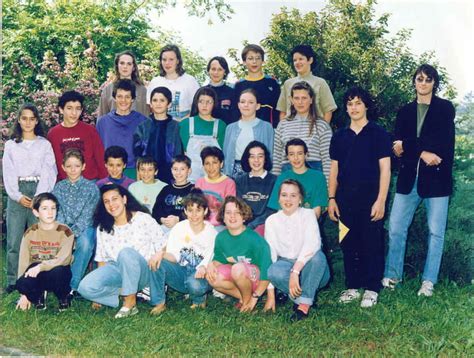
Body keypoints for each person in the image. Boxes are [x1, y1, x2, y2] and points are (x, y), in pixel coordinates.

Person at [383, 64, 456, 297]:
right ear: (414, 82)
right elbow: (395, 147)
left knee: (436, 232)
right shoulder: (404, 111)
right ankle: (393, 276)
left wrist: (410, 145)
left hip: (437, 181)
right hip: (407, 180)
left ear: (434, 83)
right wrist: (422, 152)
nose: (423, 83)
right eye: (419, 79)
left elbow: (442, 144)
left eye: (428, 79)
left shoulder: (445, 109)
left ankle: (428, 282)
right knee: (395, 228)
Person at [328, 87, 391, 308]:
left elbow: (385, 169)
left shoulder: (379, 133)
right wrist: (331, 198)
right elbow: (334, 170)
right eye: (350, 104)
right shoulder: (339, 137)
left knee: (372, 243)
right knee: (348, 243)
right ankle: (352, 286)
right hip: (345, 200)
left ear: (366, 106)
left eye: (358, 103)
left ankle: (372, 288)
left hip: (371, 198)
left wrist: (381, 200)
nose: (353, 107)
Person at [78, 184, 166, 318]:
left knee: (126, 253)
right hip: (117, 269)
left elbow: (163, 244)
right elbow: (102, 259)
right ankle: (127, 292)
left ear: (124, 199)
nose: (111, 204)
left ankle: (130, 303)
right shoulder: (103, 227)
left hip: (142, 270)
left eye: (115, 199)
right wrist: (99, 292)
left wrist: (159, 254)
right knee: (85, 287)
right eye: (106, 201)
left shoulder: (143, 219)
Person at [3, 103, 57, 293]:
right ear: (19, 120)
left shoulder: (44, 144)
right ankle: (12, 281)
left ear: (37, 121)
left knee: (39, 240)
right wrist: (17, 196)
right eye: (24, 118)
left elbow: (49, 171)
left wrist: (39, 198)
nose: (28, 122)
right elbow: (8, 172)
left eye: (31, 118)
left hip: (38, 191)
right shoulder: (11, 146)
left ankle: (37, 279)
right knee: (14, 239)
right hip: (17, 192)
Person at [265, 179, 330, 321]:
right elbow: (271, 255)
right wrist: (270, 294)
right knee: (273, 271)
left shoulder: (308, 214)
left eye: (293, 195)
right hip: (285, 264)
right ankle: (306, 299)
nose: (288, 199)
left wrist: (295, 271)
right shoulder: (271, 221)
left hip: (311, 268)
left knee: (318, 257)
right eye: (284, 195)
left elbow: (313, 245)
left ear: (300, 199)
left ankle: (303, 304)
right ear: (278, 198)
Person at [149, 190, 217, 314]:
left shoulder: (211, 232)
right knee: (157, 262)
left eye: (198, 210)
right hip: (181, 271)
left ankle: (199, 299)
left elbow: (211, 256)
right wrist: (161, 254)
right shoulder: (179, 228)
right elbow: (174, 256)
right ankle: (159, 302)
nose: (194, 215)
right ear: (185, 211)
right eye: (190, 210)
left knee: (195, 285)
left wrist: (203, 266)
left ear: (205, 211)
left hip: (200, 274)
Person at [206, 196, 272, 312]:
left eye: (237, 212)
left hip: (258, 281)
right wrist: (211, 265)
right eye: (228, 212)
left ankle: (247, 304)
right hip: (239, 276)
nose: (232, 216)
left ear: (244, 217)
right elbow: (219, 260)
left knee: (237, 268)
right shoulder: (221, 237)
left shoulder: (254, 239)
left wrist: (256, 296)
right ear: (223, 217)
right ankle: (243, 298)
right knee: (212, 277)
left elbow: (267, 271)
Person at [15, 193, 74, 311]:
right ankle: (38, 295)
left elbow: (64, 258)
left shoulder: (65, 231)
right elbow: (24, 260)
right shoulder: (30, 232)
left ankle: (63, 296)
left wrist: (41, 267)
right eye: (45, 208)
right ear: (36, 212)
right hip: (36, 270)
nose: (50, 212)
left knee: (59, 272)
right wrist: (24, 294)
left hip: (57, 271)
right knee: (21, 284)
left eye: (53, 208)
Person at [53, 148, 100, 295]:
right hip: (63, 227)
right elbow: (57, 211)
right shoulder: (58, 188)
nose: (73, 170)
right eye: (69, 166)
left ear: (83, 166)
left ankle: (72, 285)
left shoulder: (92, 188)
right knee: (53, 241)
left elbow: (88, 215)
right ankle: (53, 281)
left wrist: (73, 235)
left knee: (85, 244)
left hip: (85, 227)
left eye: (77, 166)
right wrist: (66, 233)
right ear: (63, 167)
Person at [273, 81, 332, 181]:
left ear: (311, 100)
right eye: (296, 98)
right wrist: (276, 185)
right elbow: (277, 159)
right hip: (288, 177)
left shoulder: (322, 125)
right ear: (291, 100)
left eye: (304, 98)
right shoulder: (282, 125)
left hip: (314, 177)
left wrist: (326, 188)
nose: (300, 102)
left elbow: (327, 161)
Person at [48, 90, 107, 181]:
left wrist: (105, 181)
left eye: (78, 108)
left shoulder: (90, 131)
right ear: (61, 109)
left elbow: (101, 159)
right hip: (65, 185)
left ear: (82, 110)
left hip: (90, 182)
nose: (74, 113)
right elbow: (51, 164)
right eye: (69, 108)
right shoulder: (53, 134)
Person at [96, 79, 148, 179]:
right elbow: (99, 153)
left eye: (127, 97)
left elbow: (146, 152)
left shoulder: (143, 122)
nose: (123, 101)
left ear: (133, 99)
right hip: (111, 173)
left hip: (136, 173)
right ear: (114, 98)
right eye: (119, 96)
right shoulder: (103, 123)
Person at [134, 86, 183, 184]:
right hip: (147, 175)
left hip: (169, 176)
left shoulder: (175, 127)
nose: (158, 104)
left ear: (168, 104)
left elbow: (178, 153)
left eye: (162, 100)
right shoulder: (143, 127)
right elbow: (138, 153)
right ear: (151, 104)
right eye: (155, 100)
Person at [268, 139, 328, 219]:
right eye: (291, 154)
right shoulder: (282, 178)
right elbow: (279, 209)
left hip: (309, 223)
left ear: (306, 155)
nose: (296, 158)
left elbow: (317, 211)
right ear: (287, 157)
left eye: (300, 154)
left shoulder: (318, 177)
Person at [277, 44, 337, 124]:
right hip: (291, 132)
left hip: (314, 131)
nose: (297, 63)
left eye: (301, 59)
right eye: (295, 60)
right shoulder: (288, 84)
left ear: (310, 60)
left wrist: (322, 131)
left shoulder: (320, 83)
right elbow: (283, 111)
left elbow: (328, 111)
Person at [223, 89, 274, 178]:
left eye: (251, 102)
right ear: (238, 105)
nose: (246, 105)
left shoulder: (267, 127)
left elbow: (271, 153)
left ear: (257, 106)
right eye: (243, 102)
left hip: (258, 171)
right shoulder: (230, 128)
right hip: (234, 173)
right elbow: (226, 155)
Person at [179, 87, 227, 182]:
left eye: (209, 102)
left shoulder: (221, 125)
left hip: (214, 180)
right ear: (196, 103)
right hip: (190, 179)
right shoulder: (185, 124)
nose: (204, 105)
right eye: (201, 101)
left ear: (214, 104)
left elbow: (224, 155)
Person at [146, 44, 200, 120]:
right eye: (164, 59)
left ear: (178, 61)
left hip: (183, 127)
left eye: (171, 59)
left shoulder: (190, 81)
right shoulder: (155, 82)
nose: (167, 63)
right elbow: (150, 109)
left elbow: (197, 107)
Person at [233, 44, 280, 128]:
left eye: (258, 58)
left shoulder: (272, 82)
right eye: (250, 58)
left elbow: (279, 109)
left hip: (269, 130)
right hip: (246, 130)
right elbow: (235, 113)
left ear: (263, 61)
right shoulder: (239, 85)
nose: (254, 61)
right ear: (244, 62)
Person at [235, 141, 277, 236]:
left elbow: (272, 210)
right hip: (243, 224)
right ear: (247, 159)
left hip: (266, 225)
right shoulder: (239, 181)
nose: (256, 160)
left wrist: (253, 225)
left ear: (265, 158)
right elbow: (239, 207)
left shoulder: (275, 181)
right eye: (252, 156)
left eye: (260, 156)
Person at [97, 50, 149, 118]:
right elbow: (101, 117)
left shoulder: (142, 91)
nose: (125, 66)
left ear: (133, 67)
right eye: (122, 63)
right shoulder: (107, 90)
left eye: (129, 64)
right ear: (117, 66)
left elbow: (146, 118)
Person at [195, 146, 236, 229]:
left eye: (214, 163)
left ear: (221, 164)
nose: (211, 167)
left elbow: (229, 208)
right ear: (203, 166)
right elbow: (195, 206)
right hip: (200, 222)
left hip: (220, 224)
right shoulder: (199, 182)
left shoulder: (229, 183)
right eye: (207, 164)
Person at [152, 155, 194, 235]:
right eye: (175, 169)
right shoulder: (165, 189)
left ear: (189, 171)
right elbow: (156, 211)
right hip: (165, 226)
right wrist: (162, 219)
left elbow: (195, 212)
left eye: (182, 169)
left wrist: (179, 219)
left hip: (185, 227)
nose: (178, 173)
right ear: (171, 170)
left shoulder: (193, 190)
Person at [204, 56, 235, 125]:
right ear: (208, 71)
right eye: (213, 69)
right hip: (205, 132)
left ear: (225, 72)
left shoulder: (232, 93)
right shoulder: (201, 92)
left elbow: (235, 117)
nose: (216, 72)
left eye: (220, 69)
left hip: (225, 132)